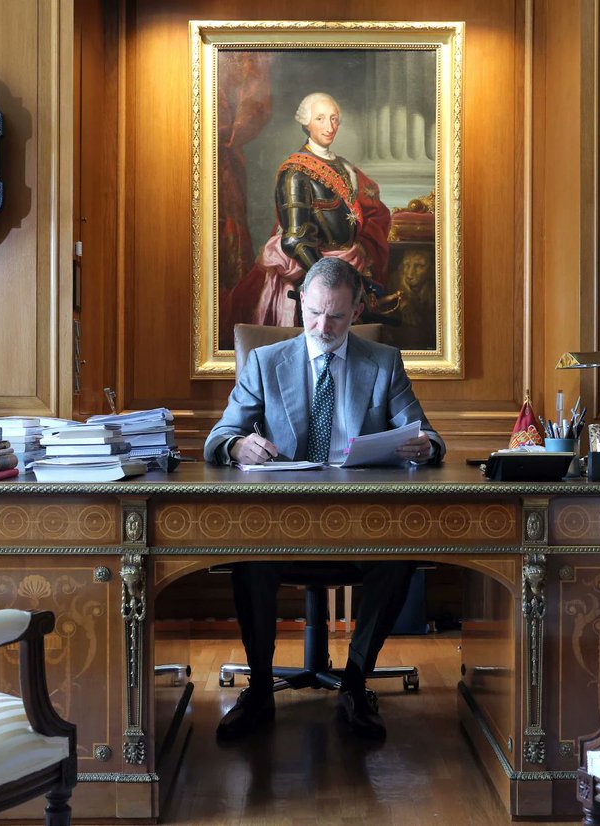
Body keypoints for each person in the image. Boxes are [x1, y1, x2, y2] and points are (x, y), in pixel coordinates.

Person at [205, 257, 445, 741]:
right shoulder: (265, 362)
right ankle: (259, 688)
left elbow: (427, 434)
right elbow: (220, 436)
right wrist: (237, 446)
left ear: (356, 312)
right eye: (314, 313)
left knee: (398, 558)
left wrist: (426, 446)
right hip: (282, 523)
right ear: (301, 307)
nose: (322, 326)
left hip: (361, 523)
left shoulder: (383, 363)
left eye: (336, 316)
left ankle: (355, 683)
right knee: (249, 558)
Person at [221, 92, 392, 339]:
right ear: (306, 123)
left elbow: (367, 212)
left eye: (334, 119)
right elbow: (295, 238)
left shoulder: (345, 167)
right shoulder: (294, 173)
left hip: (352, 265)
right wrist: (330, 279)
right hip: (311, 271)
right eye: (320, 118)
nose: (329, 126)